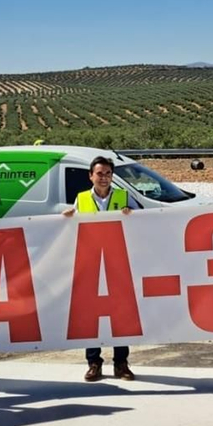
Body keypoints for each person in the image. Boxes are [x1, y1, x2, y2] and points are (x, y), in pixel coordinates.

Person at [62, 156, 135, 381]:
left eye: (108, 174)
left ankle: (121, 363)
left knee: (121, 314)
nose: (104, 178)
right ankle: (94, 363)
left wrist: (131, 215)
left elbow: (141, 223)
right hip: (91, 263)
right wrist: (66, 218)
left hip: (117, 263)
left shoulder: (124, 197)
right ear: (91, 176)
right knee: (90, 315)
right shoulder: (81, 198)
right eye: (100, 173)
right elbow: (73, 226)